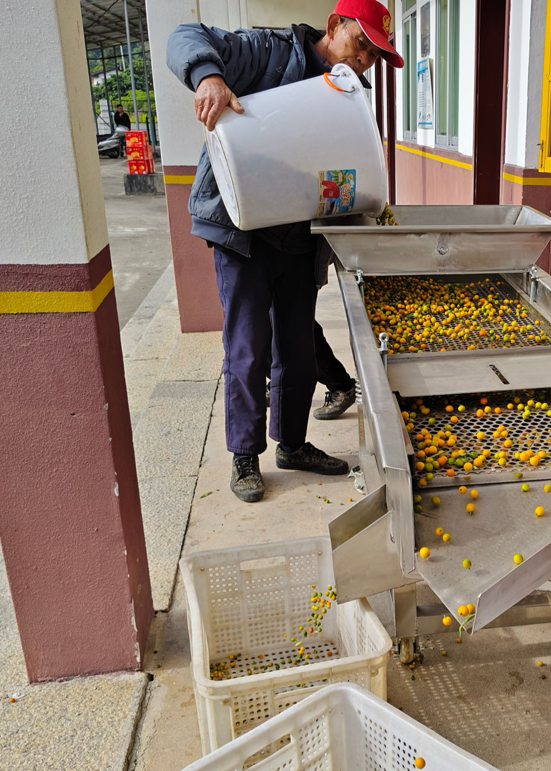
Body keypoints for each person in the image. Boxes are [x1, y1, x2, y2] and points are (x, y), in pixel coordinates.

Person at [167, 0, 400, 503]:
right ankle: (244, 455)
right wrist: (209, 77)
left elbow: (340, 171)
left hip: (297, 235)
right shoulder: (267, 54)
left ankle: (292, 444)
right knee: (248, 348)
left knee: (295, 350)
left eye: (374, 56)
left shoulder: (346, 98)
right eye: (361, 44)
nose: (364, 61)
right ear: (334, 26)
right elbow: (186, 35)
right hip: (242, 232)